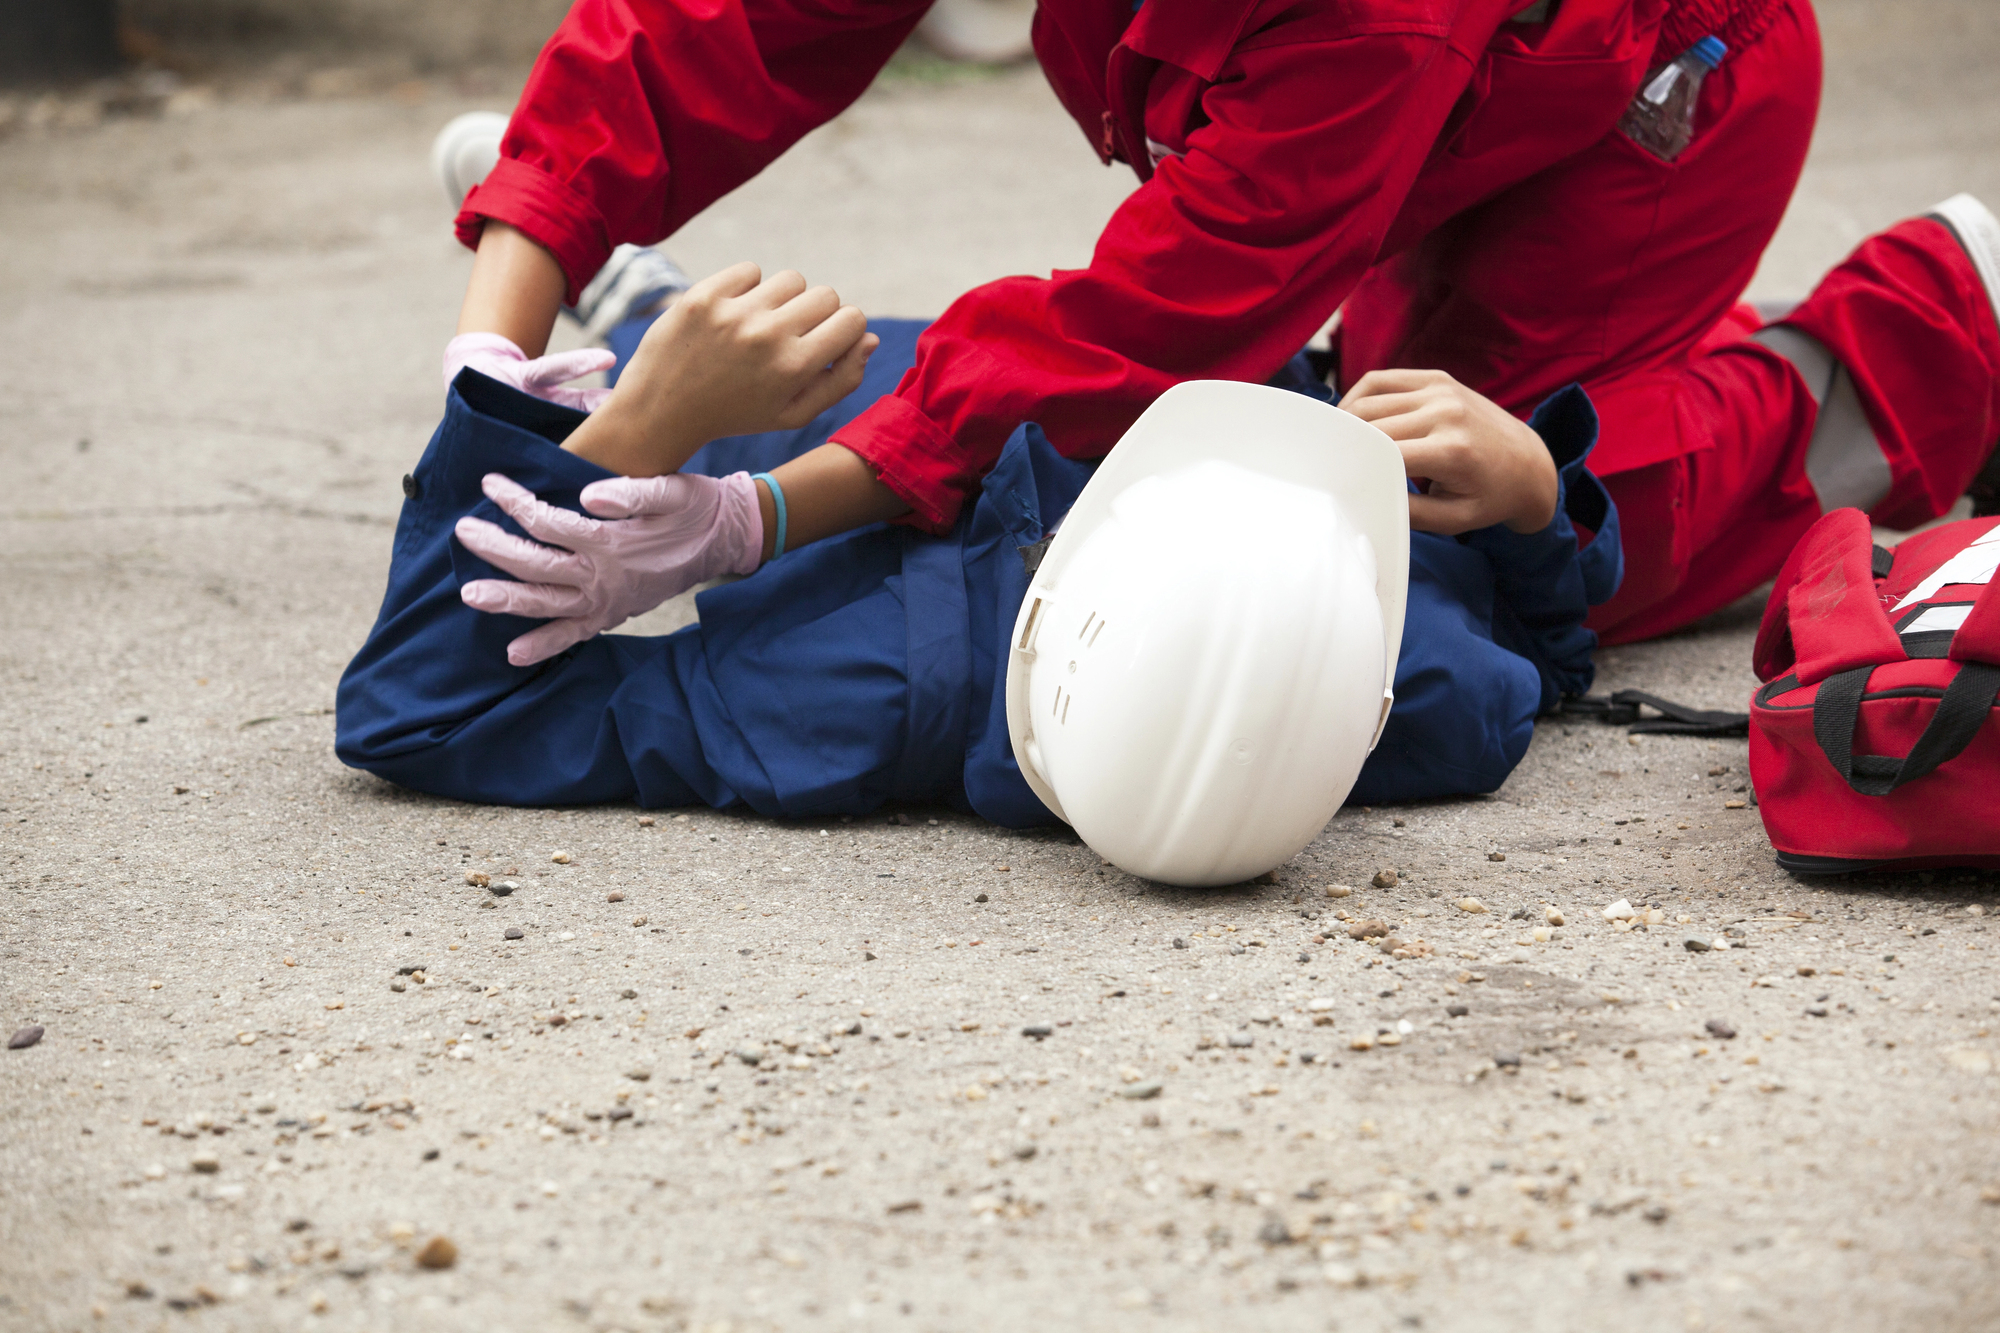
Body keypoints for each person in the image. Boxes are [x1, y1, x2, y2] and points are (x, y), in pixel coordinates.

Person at [440, 0, 2000, 653]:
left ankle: (1909, 343)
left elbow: (1148, 333)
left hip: (1660, 105)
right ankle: (647, 324)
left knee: (1474, 521)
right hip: (1433, 106)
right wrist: (494, 332)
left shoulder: (1369, 20)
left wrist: (748, 517)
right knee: (1298, 420)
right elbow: (727, 25)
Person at [335, 267, 1621, 828]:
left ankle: (624, 330)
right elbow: (1549, 656)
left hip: (787, 415)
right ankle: (639, 316)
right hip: (951, 381)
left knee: (717, 353)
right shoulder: (1423, 684)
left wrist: (616, 436)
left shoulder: (842, 709)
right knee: (856, 350)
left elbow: (415, 717)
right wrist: (1527, 497)